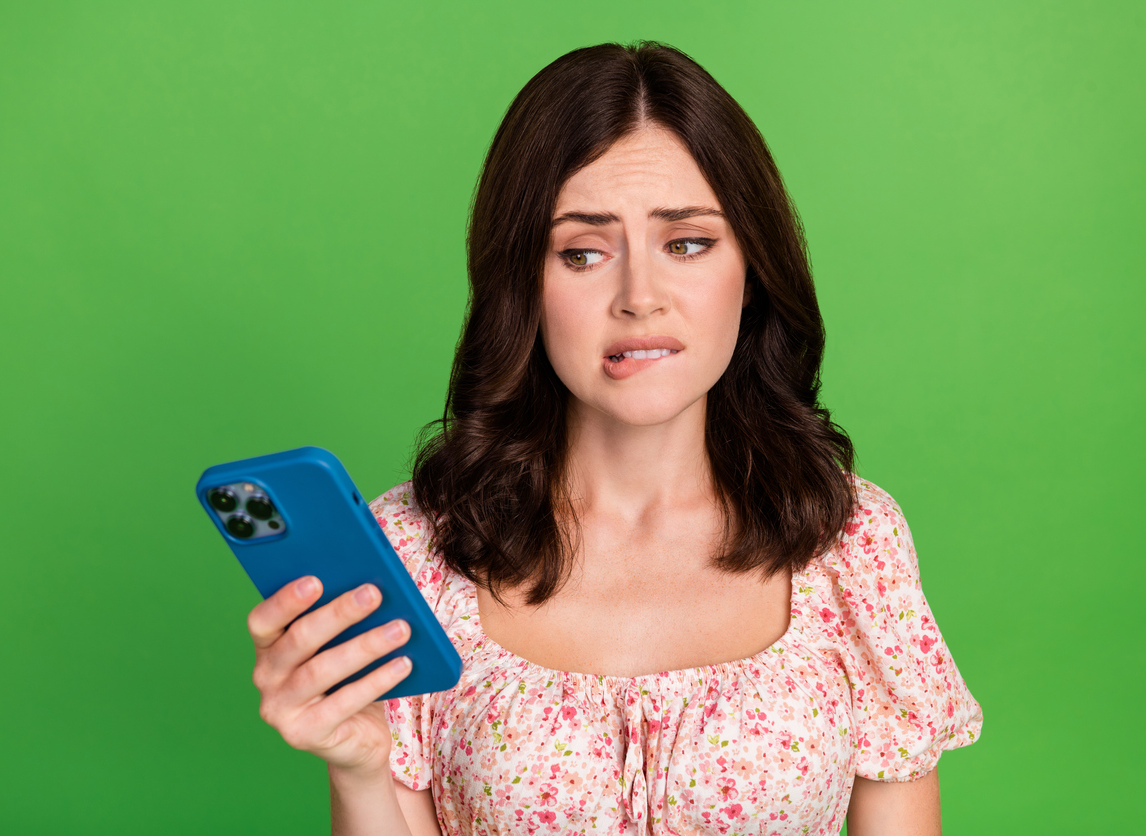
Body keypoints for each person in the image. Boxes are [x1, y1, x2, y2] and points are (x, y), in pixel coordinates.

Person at [245, 42, 983, 836]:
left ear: (753, 269)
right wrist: (358, 771)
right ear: (522, 284)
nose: (639, 297)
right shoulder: (411, 555)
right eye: (583, 252)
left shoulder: (853, 543)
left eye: (687, 242)